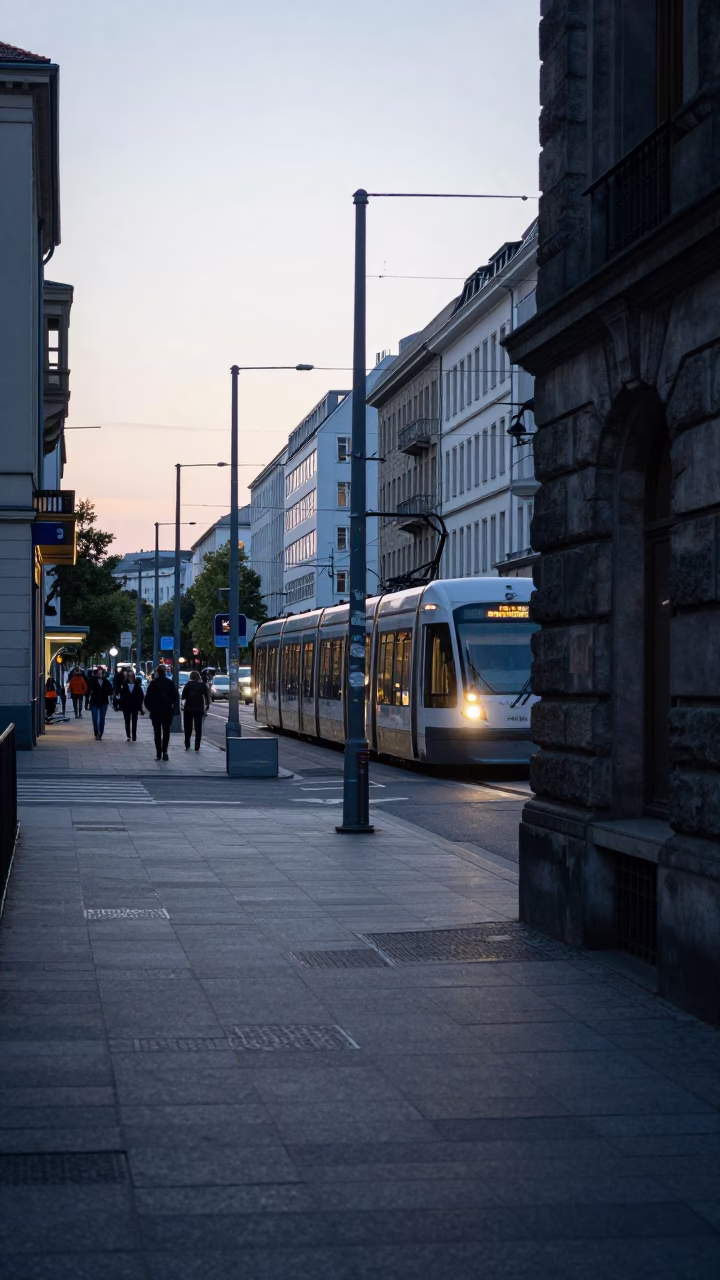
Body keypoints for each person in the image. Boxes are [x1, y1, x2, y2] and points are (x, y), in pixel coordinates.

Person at [144, 665, 179, 761]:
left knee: (157, 733)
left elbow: (147, 700)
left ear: (157, 673)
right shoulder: (170, 683)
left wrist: (151, 709)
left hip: (156, 712)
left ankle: (158, 753)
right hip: (167, 711)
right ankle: (165, 751)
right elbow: (175, 697)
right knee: (166, 731)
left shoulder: (153, 684)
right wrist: (172, 708)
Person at [181, 669, 210, 751]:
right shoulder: (202, 685)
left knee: (188, 727)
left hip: (188, 709)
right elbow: (206, 696)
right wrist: (207, 705)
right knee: (198, 728)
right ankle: (197, 745)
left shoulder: (188, 684)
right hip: (199, 708)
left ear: (190, 677)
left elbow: (183, 696)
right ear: (198, 677)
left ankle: (187, 744)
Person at [118, 669, 145, 742]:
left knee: (134, 721)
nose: (130, 677)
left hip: (134, 706)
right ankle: (128, 735)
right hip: (126, 706)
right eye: (128, 676)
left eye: (131, 676)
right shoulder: (124, 685)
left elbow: (141, 696)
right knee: (127, 721)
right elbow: (122, 696)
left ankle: (134, 735)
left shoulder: (137, 685)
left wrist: (139, 705)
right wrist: (121, 705)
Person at [87, 668, 114, 740]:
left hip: (104, 702)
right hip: (94, 701)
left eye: (101, 673)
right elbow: (88, 690)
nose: (99, 675)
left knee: (102, 718)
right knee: (95, 718)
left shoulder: (106, 681)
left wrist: (110, 695)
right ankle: (96, 732)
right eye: (98, 673)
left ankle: (100, 732)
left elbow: (110, 689)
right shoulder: (92, 680)